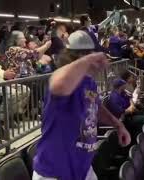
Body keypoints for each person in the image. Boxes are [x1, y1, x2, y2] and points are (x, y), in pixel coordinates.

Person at [33, 30, 131, 180]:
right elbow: (58, 84)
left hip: (82, 168)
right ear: (81, 56)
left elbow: (96, 108)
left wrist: (118, 125)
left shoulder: (88, 82)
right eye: (94, 56)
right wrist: (87, 61)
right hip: (54, 173)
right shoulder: (63, 78)